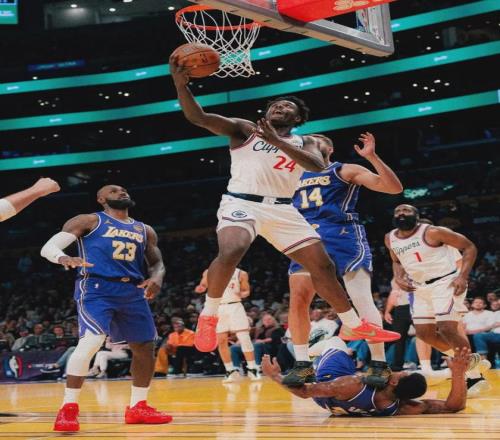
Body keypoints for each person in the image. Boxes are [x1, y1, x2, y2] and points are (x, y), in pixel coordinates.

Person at [169, 54, 400, 361]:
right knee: (233, 249)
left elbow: (316, 165)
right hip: (242, 201)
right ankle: (208, 315)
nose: (279, 108)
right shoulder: (245, 130)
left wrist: (278, 142)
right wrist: (180, 85)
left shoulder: (308, 142)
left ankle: (355, 325)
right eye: (275, 105)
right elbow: (198, 117)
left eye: (287, 107)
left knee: (322, 267)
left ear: (298, 118)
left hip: (283, 209)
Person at [40, 185, 171, 432]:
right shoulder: (89, 221)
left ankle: (138, 407)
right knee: (91, 341)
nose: (121, 192)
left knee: (145, 347)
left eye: (123, 189)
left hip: (132, 290)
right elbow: (48, 248)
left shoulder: (144, 230)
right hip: (96, 288)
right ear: (101, 199)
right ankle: (68, 408)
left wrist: (157, 278)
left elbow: (157, 263)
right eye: (113, 190)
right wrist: (63, 258)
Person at [286, 133, 403, 387]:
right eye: (305, 141)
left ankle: (379, 363)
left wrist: (372, 157)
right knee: (298, 299)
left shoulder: (344, 170)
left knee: (361, 298)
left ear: (329, 149)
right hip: (306, 238)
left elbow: (394, 188)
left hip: (342, 236)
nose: (307, 143)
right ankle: (303, 364)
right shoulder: (291, 176)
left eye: (314, 140)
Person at [385, 204, 490, 391]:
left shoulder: (433, 232)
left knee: (447, 328)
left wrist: (462, 277)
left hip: (445, 283)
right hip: (419, 287)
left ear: (416, 216)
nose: (401, 213)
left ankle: (475, 377)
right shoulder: (390, 238)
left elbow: (469, 247)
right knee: (424, 334)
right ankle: (470, 360)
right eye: (397, 211)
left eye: (406, 211)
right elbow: (397, 261)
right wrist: (398, 277)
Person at [262, 341, 472, 416]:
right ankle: (334, 353)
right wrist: (458, 374)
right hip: (335, 404)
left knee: (335, 343)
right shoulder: (403, 407)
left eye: (400, 373)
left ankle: (308, 350)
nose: (396, 371)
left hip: (331, 385)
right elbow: (454, 406)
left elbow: (304, 392)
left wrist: (275, 376)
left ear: (394, 381)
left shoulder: (352, 384)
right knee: (349, 355)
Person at [195, 268, 260, 382]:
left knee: (244, 337)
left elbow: (246, 291)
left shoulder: (241, 273)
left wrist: (242, 294)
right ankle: (230, 370)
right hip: (217, 307)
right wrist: (200, 288)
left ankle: (252, 368)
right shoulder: (209, 271)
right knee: (221, 340)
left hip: (235, 306)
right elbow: (203, 285)